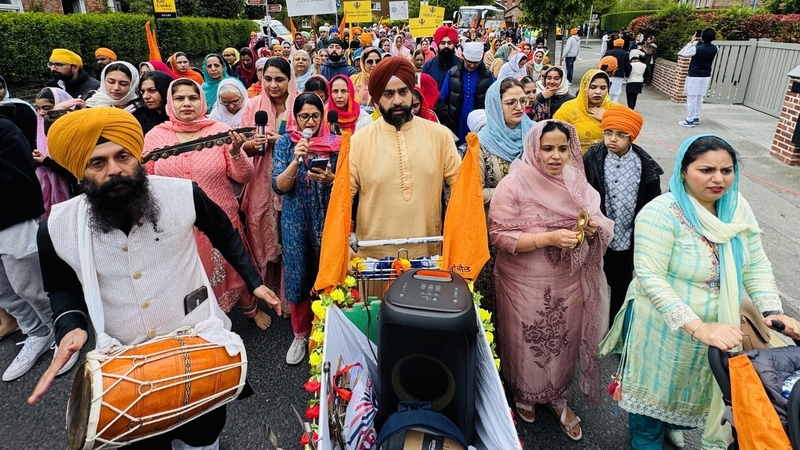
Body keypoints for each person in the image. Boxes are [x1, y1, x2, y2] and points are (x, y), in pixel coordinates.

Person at [28, 107, 282, 449]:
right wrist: (71, 327)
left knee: (203, 439)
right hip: (127, 365)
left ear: (137, 157)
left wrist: (256, 282)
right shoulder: (56, 227)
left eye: (122, 157)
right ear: (80, 172)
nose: (115, 170)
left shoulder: (182, 193)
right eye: (98, 163)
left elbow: (225, 233)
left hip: (197, 348)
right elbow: (61, 289)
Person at [599, 134, 800, 450]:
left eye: (727, 170)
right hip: (664, 328)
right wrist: (697, 326)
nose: (719, 179)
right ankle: (647, 436)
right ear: (682, 171)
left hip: (718, 329)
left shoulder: (736, 209)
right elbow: (651, 278)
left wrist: (772, 311)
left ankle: (671, 423)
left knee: (695, 391)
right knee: (654, 396)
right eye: (706, 170)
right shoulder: (661, 214)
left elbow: (756, 263)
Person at [489, 119, 612, 439]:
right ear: (534, 149)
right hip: (522, 283)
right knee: (524, 341)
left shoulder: (576, 183)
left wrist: (589, 231)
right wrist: (550, 238)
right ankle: (523, 393)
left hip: (566, 282)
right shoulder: (513, 184)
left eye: (562, 149)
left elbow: (597, 220)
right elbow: (500, 236)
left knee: (562, 340)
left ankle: (558, 398)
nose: (556, 156)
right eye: (547, 149)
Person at [142, 79, 270, 330]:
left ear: (202, 101)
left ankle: (250, 309)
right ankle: (203, 322)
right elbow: (147, 180)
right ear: (170, 102)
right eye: (179, 98)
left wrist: (235, 152)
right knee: (190, 276)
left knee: (233, 267)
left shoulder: (218, 131)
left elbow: (244, 176)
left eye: (193, 97)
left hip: (221, 216)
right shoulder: (156, 136)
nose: (186, 103)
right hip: (177, 223)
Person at [350, 57, 461, 259]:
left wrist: (458, 232)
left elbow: (462, 189)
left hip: (428, 254)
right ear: (376, 99)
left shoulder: (440, 135)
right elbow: (343, 198)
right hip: (374, 257)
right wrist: (346, 235)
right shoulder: (358, 141)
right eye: (388, 94)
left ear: (412, 93)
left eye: (403, 92)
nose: (397, 100)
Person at [0, 104, 72, 383]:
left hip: (12, 220)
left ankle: (61, 332)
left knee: (30, 286)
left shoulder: (6, 129)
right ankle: (36, 333)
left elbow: (20, 176)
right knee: (5, 291)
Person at [272, 93, 341, 365]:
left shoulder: (337, 143)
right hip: (295, 218)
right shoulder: (286, 144)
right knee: (299, 273)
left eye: (314, 115)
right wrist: (295, 160)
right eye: (304, 116)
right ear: (295, 117)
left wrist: (330, 178)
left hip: (327, 216)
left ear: (322, 116)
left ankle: (329, 333)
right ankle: (300, 334)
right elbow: (279, 186)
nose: (309, 121)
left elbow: (346, 184)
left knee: (329, 270)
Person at [583, 106, 662, 321]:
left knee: (622, 286)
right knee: (594, 283)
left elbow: (653, 204)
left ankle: (617, 329)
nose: (612, 139)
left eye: (620, 135)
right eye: (608, 132)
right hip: (597, 237)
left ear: (631, 137)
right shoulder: (592, 158)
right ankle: (593, 327)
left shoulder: (644, 166)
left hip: (627, 238)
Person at [240, 58, 297, 309]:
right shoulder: (253, 106)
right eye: (268, 79)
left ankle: (292, 296)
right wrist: (253, 145)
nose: (273, 85)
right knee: (262, 228)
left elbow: (315, 137)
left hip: (292, 179)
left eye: (280, 79)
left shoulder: (299, 105)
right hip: (260, 178)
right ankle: (271, 293)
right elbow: (241, 144)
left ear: (289, 80)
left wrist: (283, 140)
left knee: (291, 236)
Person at [32, 88, 78, 218]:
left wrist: (46, 161)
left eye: (46, 108)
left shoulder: (74, 132)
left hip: (72, 194)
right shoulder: (39, 130)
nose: (41, 113)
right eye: (38, 108)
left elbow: (75, 171)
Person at [439, 42, 494, 145]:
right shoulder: (453, 73)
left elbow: (494, 96)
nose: (472, 65)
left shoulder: (486, 75)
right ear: (463, 56)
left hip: (479, 123)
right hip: (457, 121)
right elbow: (443, 98)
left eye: (476, 62)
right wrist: (446, 119)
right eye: (469, 61)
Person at [554, 69, 621, 153]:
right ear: (584, 87)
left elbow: (627, 136)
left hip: (608, 161)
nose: (598, 92)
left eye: (603, 88)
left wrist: (607, 118)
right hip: (575, 161)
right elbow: (555, 138)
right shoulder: (568, 109)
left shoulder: (615, 109)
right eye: (592, 87)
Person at [678, 28, 719, 127]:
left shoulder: (696, 49)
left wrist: (691, 42)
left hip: (694, 75)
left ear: (702, 37)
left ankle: (689, 120)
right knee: (700, 97)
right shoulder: (716, 48)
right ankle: (696, 117)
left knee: (692, 97)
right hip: (706, 75)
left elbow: (683, 53)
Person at [136, 70, 172, 135]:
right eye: (143, 91)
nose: (145, 96)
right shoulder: (139, 122)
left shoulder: (182, 118)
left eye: (152, 90)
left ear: (166, 90)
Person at [605, 39, 631, 103]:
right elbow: (627, 65)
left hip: (608, 73)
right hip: (619, 74)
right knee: (616, 92)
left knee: (608, 90)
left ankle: (607, 103)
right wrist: (627, 74)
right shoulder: (625, 54)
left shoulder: (608, 52)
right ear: (622, 45)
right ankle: (614, 104)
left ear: (614, 44)